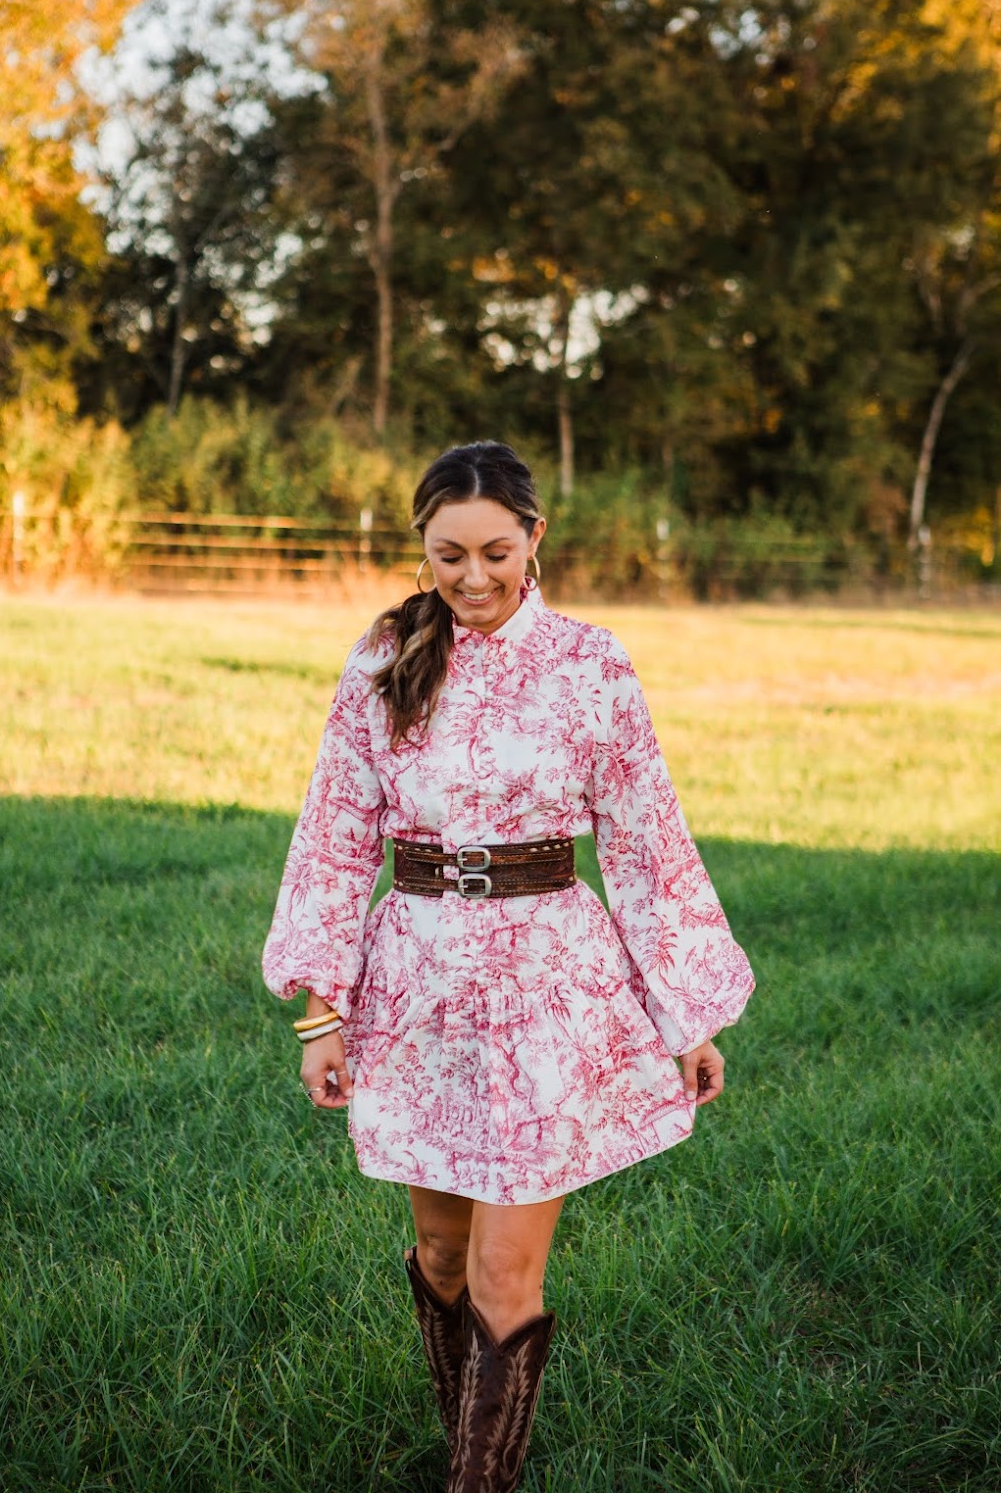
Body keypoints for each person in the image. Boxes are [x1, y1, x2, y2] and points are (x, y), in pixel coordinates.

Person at [262, 441, 755, 1493]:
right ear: (421, 547)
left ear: (535, 537)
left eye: (495, 550)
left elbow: (643, 839)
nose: (473, 577)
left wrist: (686, 1017)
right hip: (416, 990)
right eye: (448, 554)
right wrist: (321, 1013)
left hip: (548, 990)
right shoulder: (383, 656)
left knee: (502, 1270)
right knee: (441, 1258)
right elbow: (336, 835)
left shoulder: (592, 663)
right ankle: (465, 1444)